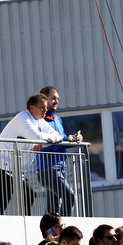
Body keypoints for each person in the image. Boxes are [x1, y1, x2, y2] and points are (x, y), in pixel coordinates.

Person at [0, 93, 63, 215]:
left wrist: (42, 143)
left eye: (45, 107)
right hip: (3, 164)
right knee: (27, 193)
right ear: (32, 107)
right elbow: (37, 136)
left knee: (2, 201)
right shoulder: (23, 118)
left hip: (15, 168)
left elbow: (56, 135)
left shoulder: (40, 121)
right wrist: (42, 141)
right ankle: (24, 222)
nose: (45, 110)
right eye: (42, 107)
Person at [34, 86, 83, 215]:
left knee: (53, 210)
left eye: (57, 99)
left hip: (60, 166)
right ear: (44, 100)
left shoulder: (57, 119)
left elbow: (60, 140)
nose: (56, 101)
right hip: (47, 168)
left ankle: (49, 231)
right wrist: (64, 140)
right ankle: (63, 231)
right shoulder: (39, 120)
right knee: (69, 196)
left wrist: (72, 139)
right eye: (53, 98)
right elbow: (42, 142)